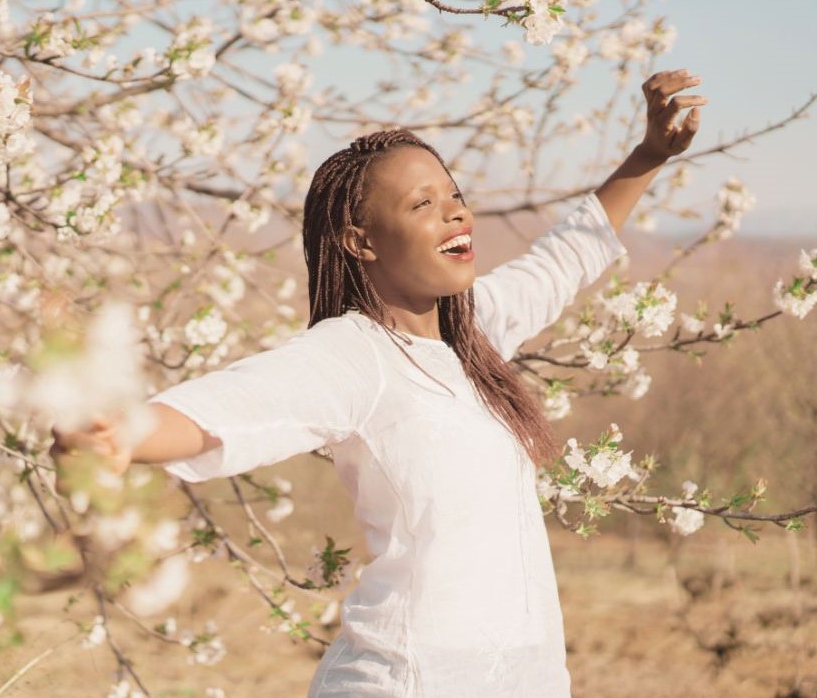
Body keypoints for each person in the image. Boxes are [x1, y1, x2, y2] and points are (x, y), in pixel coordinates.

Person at [52, 69, 706, 697]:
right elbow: (235, 405)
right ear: (360, 240)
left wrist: (648, 155)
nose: (456, 216)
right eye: (424, 204)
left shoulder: (476, 333)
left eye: (454, 196)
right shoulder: (352, 356)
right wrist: (124, 434)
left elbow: (566, 257)